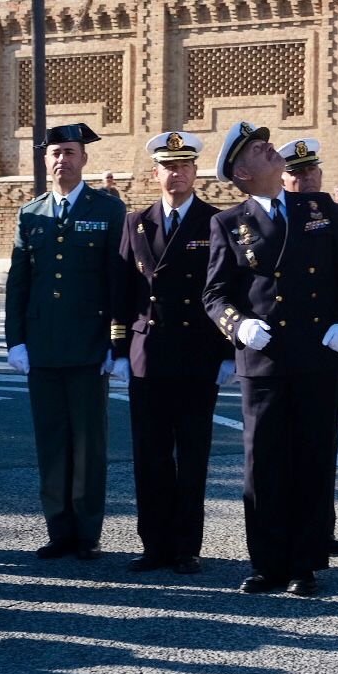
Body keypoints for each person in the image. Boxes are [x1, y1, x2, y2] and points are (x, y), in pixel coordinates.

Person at [203, 121, 338, 597]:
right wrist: (239, 326)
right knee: (264, 464)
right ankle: (268, 562)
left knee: (313, 459)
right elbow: (214, 293)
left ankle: (305, 563)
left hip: (318, 352)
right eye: (258, 149)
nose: (270, 149)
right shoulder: (229, 222)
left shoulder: (319, 208)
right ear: (243, 172)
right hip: (266, 359)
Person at [112, 131, 235, 575]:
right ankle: (154, 543)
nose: (177, 173)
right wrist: (120, 349)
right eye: (169, 166)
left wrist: (228, 352)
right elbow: (124, 289)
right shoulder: (136, 222)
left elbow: (226, 289)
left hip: (197, 354)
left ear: (195, 172)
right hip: (149, 352)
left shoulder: (216, 221)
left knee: (193, 455)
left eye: (184, 165)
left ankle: (187, 546)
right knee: (150, 456)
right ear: (155, 173)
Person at [5, 122, 126, 560]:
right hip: (43, 347)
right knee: (52, 442)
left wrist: (117, 344)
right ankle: (59, 530)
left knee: (88, 444)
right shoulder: (31, 212)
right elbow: (19, 281)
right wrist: (15, 341)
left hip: (89, 346)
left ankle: (87, 532)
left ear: (84, 159)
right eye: (55, 153)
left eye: (70, 152)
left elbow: (119, 282)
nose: (62, 160)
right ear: (45, 160)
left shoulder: (109, 210)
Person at [279, 137, 338, 559]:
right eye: (297, 172)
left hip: (329, 342)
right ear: (284, 177)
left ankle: (320, 529)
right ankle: (291, 529)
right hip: (284, 346)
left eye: (311, 169)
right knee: (285, 448)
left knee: (321, 446)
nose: (306, 177)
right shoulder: (276, 216)